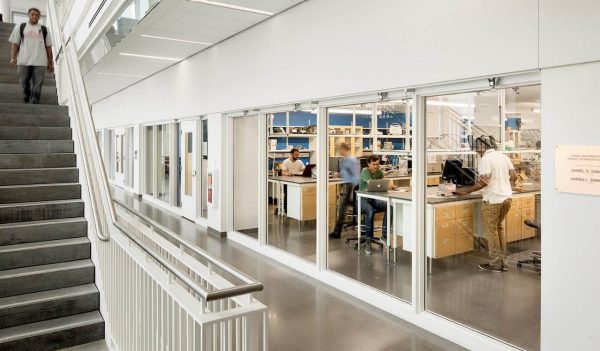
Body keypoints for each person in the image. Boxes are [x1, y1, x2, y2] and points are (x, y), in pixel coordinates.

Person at [454, 135, 517, 272]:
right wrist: (504, 185)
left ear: (483, 146)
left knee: (491, 232)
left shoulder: (486, 159)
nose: (476, 150)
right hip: (507, 198)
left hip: (493, 200)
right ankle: (503, 262)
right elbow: (514, 176)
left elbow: (484, 182)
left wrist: (465, 191)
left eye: (477, 147)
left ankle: (495, 263)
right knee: (499, 229)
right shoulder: (503, 156)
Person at [9, 8, 54, 104]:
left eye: (37, 15)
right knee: (23, 81)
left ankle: (34, 101)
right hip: (23, 60)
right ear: (28, 15)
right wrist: (13, 57)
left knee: (38, 83)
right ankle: (27, 93)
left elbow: (49, 47)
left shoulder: (44, 29)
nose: (34, 16)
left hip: (40, 61)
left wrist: (50, 62)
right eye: (32, 14)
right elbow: (15, 44)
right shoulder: (20, 27)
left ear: (39, 17)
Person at [359, 155, 394, 253]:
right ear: (368, 164)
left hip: (374, 199)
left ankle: (384, 235)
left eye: (377, 164)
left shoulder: (379, 171)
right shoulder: (365, 171)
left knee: (389, 207)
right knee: (370, 211)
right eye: (373, 164)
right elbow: (371, 183)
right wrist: (381, 183)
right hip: (363, 199)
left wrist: (390, 186)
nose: (376, 166)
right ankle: (368, 241)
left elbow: (384, 181)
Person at [329, 143, 360, 239]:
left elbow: (355, 174)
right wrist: (338, 175)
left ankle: (337, 232)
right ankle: (337, 231)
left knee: (342, 209)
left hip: (351, 185)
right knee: (344, 208)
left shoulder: (351, 160)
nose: (339, 151)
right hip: (348, 184)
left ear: (344, 149)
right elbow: (346, 172)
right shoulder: (346, 160)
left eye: (340, 149)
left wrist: (352, 191)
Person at [278, 148, 306, 215]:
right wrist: (287, 174)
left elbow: (304, 170)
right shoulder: (286, 161)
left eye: (298, 155)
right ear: (291, 154)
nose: (297, 156)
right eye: (296, 155)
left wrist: (303, 172)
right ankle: (286, 210)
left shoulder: (300, 162)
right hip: (288, 181)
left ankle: (295, 209)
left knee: (297, 195)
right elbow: (283, 172)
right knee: (287, 195)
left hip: (297, 181)